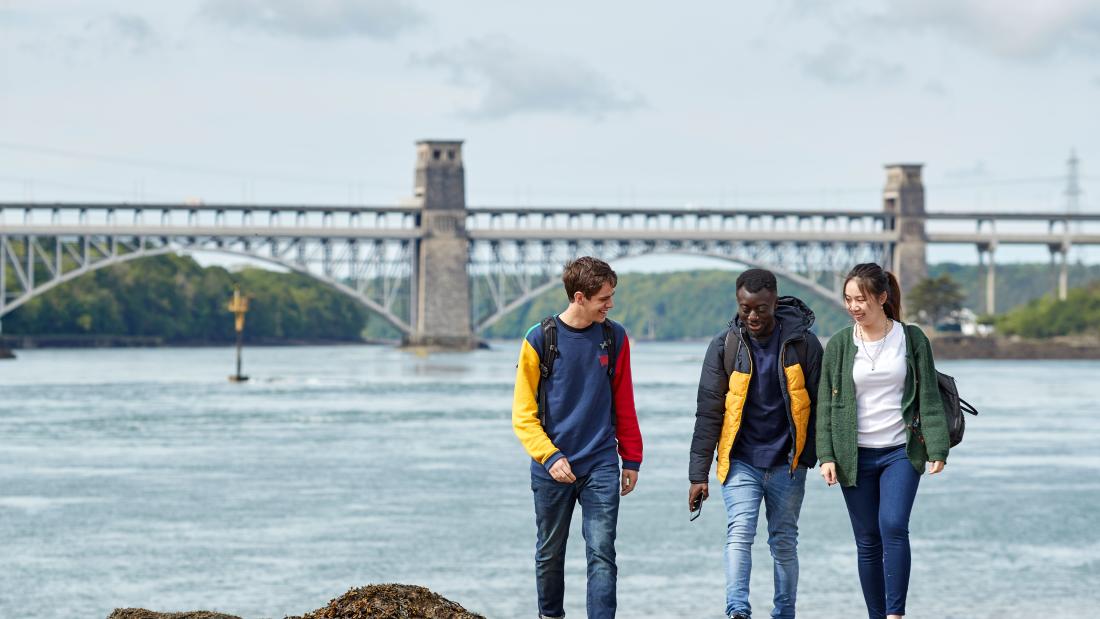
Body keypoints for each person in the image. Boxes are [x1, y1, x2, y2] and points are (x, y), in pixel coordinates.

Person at [815, 263, 950, 619]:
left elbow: (929, 399)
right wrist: (825, 455)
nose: (854, 306)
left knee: (892, 525)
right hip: (853, 454)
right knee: (867, 541)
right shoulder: (841, 344)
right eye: (848, 299)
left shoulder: (911, 338)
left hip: (900, 452)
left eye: (861, 299)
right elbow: (826, 406)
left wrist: (937, 447)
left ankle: (895, 614)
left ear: (882, 297)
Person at [512, 256, 644, 619]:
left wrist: (631, 458)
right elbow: (523, 416)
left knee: (602, 553)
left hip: (600, 462)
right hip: (551, 466)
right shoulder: (539, 339)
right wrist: (550, 457)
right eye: (605, 298)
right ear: (580, 297)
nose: (611, 304)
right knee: (549, 553)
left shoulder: (614, 337)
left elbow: (624, 401)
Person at [688, 268, 823, 619]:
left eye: (760, 308)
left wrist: (825, 457)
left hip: (788, 463)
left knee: (783, 542)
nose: (752, 316)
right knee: (740, 533)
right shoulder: (725, 345)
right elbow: (708, 413)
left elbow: (823, 405)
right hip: (740, 461)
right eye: (745, 307)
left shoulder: (803, 343)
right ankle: (737, 612)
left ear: (774, 304)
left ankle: (784, 613)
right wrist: (697, 475)